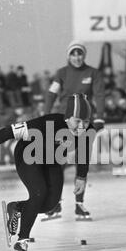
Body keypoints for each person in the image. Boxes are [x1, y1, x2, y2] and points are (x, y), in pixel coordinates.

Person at [0, 93, 95, 251]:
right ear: (67, 118)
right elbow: (7, 132)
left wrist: (81, 177)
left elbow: (84, 153)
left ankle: (16, 207)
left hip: (51, 159)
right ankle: (22, 240)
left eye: (86, 122)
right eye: (77, 121)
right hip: (27, 154)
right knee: (38, 193)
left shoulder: (89, 131)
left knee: (50, 204)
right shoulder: (46, 123)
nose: (82, 126)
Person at [44, 40, 105, 220]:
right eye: (73, 54)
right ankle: (55, 204)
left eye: (80, 54)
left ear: (84, 55)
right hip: (64, 121)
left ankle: (79, 204)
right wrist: (46, 115)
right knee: (58, 162)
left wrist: (100, 116)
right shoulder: (61, 73)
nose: (77, 57)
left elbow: (100, 94)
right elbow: (51, 94)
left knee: (82, 161)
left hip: (84, 122)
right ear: (68, 56)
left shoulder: (93, 73)